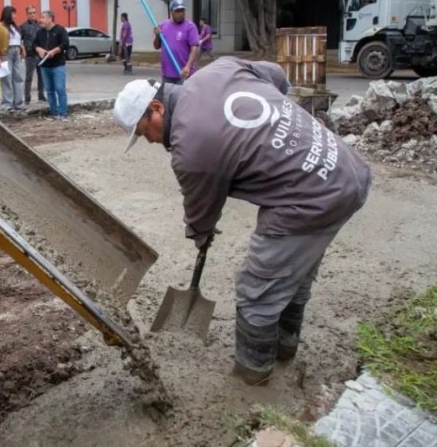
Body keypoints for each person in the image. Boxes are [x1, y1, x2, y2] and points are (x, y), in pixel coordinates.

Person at [112, 57, 372, 385]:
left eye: (142, 131)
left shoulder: (188, 147)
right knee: (295, 268)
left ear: (156, 108)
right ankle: (285, 346)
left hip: (310, 199)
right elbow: (276, 75)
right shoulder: (218, 70)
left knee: (257, 287)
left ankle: (253, 373)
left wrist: (200, 233)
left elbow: (200, 209)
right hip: (345, 171)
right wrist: (277, 121)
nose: (148, 140)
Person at [153, 0, 199, 84]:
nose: (180, 14)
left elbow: (194, 49)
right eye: (177, 11)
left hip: (184, 73)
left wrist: (188, 66)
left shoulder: (190, 26)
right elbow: (156, 46)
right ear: (171, 12)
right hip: (167, 74)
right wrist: (157, 36)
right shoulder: (163, 25)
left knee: (183, 97)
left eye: (182, 10)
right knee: (167, 97)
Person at [33, 10, 70, 120]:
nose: (41, 20)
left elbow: (65, 44)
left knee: (60, 89)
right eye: (41, 17)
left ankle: (63, 113)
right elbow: (34, 44)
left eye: (43, 17)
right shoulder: (40, 32)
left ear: (50, 19)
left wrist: (54, 51)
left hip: (58, 65)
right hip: (45, 66)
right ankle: (54, 112)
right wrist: (38, 49)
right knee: (49, 90)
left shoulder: (60, 30)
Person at [0, 5, 26, 114]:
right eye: (14, 13)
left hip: (17, 52)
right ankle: (7, 104)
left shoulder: (14, 27)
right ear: (8, 14)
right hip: (6, 53)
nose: (15, 16)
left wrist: (22, 48)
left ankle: (19, 103)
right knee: (7, 79)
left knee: (18, 78)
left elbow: (18, 40)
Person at [19, 4, 46, 104]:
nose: (32, 15)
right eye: (30, 13)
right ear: (27, 14)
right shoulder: (22, 26)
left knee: (41, 76)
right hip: (30, 55)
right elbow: (18, 40)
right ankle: (27, 98)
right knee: (29, 77)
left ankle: (41, 95)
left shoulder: (40, 25)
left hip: (40, 55)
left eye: (34, 13)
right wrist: (22, 49)